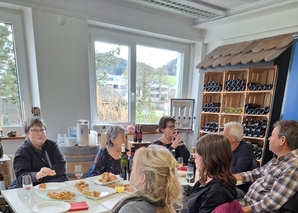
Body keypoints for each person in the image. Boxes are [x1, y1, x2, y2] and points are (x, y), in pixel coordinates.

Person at [234, 120, 298, 213]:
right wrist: (228, 177)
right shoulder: (277, 160)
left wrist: (239, 210)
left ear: (282, 140)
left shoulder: (293, 167)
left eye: (272, 135)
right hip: (246, 203)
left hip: (250, 209)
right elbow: (256, 173)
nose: (268, 138)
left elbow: (271, 203)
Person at [111, 144, 183, 213]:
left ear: (142, 177)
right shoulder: (167, 202)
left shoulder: (131, 209)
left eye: (133, 168)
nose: (131, 172)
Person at [9, 117, 68, 189]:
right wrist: (38, 175)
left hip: (55, 184)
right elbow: (22, 177)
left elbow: (61, 166)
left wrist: (45, 174)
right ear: (27, 133)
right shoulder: (22, 152)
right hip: (32, 188)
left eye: (42, 130)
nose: (40, 133)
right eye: (35, 130)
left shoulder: (52, 145)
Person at [185, 134, 238, 213]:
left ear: (209, 158)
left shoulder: (217, 192)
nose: (194, 156)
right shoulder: (210, 180)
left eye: (198, 153)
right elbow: (197, 192)